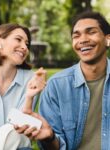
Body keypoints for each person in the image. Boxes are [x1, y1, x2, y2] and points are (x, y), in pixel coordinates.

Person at [15, 11, 110, 150]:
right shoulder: (56, 86)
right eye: (76, 36)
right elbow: (54, 147)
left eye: (91, 32)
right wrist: (50, 137)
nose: (82, 39)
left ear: (107, 39)